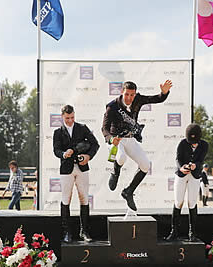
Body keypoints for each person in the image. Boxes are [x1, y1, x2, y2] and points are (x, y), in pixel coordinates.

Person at [102, 80, 173, 211]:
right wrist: (111, 139)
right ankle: (115, 172)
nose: (129, 98)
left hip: (130, 138)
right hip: (116, 141)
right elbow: (104, 128)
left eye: (132, 95)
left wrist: (164, 93)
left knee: (146, 165)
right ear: (122, 92)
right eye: (127, 94)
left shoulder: (138, 99)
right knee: (121, 157)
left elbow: (156, 99)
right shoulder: (112, 107)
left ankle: (128, 191)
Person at [53, 105, 100, 243]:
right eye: (67, 118)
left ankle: (84, 231)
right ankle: (67, 232)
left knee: (84, 198)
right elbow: (56, 150)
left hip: (82, 168)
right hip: (66, 169)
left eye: (72, 117)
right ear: (62, 117)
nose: (70, 120)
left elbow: (95, 144)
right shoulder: (58, 132)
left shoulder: (82, 128)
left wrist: (88, 156)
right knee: (65, 199)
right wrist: (63, 154)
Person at [166, 123, 208, 242]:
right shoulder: (182, 143)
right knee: (178, 201)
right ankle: (174, 232)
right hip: (182, 175)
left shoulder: (204, 145)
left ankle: (192, 233)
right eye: (191, 142)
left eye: (195, 142)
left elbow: (201, 159)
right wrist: (181, 167)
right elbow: (178, 159)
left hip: (195, 176)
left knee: (192, 202)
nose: (193, 144)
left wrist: (196, 165)